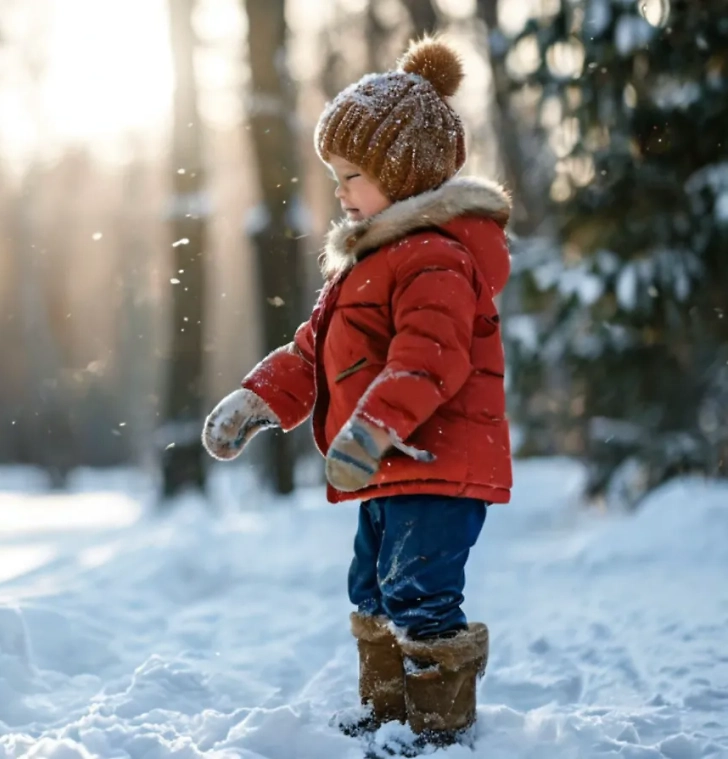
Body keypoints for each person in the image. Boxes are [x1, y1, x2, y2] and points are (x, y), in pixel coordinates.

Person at [201, 37, 513, 745]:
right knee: (371, 585)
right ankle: (389, 709)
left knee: (419, 592)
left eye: (351, 177)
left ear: (402, 174)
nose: (338, 192)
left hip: (435, 463)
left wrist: (369, 429)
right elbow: (312, 351)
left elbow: (428, 360)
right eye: (335, 176)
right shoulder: (365, 265)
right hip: (387, 465)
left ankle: (437, 724)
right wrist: (257, 400)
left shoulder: (436, 257)